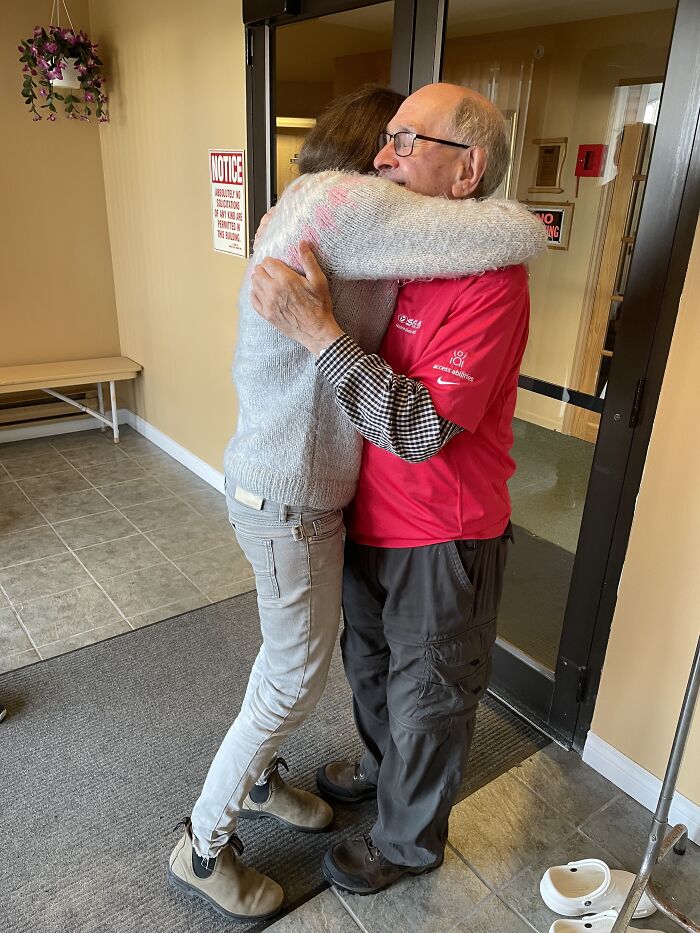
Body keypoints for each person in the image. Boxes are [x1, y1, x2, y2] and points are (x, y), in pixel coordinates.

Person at [168, 84, 545, 922]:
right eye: (383, 139)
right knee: (368, 669)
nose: (383, 157)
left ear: (468, 169)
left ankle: (405, 840)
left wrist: (319, 333)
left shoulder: (490, 280)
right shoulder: (401, 249)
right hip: (354, 512)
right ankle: (379, 770)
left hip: (443, 528)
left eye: (406, 141)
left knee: (430, 693)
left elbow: (417, 426)